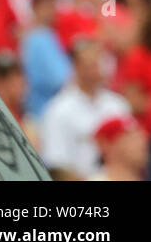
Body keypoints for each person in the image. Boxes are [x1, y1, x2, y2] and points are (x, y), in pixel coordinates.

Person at [40, 37, 131, 180]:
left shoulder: (118, 105)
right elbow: (56, 165)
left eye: (97, 61)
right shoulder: (58, 110)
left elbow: (130, 154)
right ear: (76, 66)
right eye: (88, 62)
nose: (94, 67)